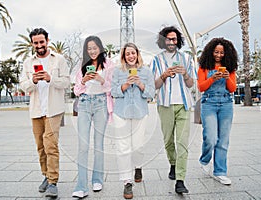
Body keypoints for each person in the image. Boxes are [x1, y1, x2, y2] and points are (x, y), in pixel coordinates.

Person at [19, 28, 70, 198]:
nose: (39, 45)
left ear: (48, 41)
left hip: (53, 110)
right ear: (32, 43)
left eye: (42, 42)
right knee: (40, 146)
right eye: (36, 42)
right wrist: (33, 80)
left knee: (50, 145)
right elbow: (23, 85)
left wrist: (50, 78)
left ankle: (53, 181)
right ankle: (46, 176)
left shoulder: (59, 60)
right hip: (36, 110)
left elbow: (66, 83)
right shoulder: (27, 63)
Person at [150, 26, 196, 194]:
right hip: (165, 105)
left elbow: (191, 84)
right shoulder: (156, 60)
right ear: (163, 41)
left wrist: (184, 74)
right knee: (168, 140)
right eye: (168, 39)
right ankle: (173, 163)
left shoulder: (187, 58)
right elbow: (153, 86)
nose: (171, 42)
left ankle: (180, 179)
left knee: (182, 143)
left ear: (178, 41)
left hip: (184, 105)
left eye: (174, 39)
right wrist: (164, 75)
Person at [72, 36, 115, 199]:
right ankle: (81, 186)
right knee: (83, 145)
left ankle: (97, 179)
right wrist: (83, 81)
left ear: (100, 48)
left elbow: (112, 87)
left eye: (95, 47)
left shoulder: (108, 64)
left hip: (101, 103)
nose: (92, 51)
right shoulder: (82, 65)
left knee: (98, 144)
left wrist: (100, 79)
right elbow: (76, 90)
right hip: (84, 104)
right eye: (89, 48)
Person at [111, 43, 155, 199]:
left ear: (137, 54)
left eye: (133, 53)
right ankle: (127, 182)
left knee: (137, 146)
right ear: (123, 56)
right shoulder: (117, 71)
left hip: (140, 113)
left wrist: (140, 84)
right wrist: (125, 85)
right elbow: (113, 92)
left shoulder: (147, 71)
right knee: (123, 148)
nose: (131, 56)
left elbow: (151, 93)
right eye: (127, 54)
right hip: (120, 113)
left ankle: (138, 166)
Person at [197, 37, 238, 185]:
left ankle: (220, 172)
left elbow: (232, 89)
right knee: (211, 137)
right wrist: (213, 78)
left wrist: (227, 78)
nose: (219, 55)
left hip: (226, 103)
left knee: (223, 140)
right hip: (209, 103)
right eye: (216, 52)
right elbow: (201, 87)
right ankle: (205, 159)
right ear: (211, 52)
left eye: (222, 52)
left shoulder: (230, 67)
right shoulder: (203, 67)